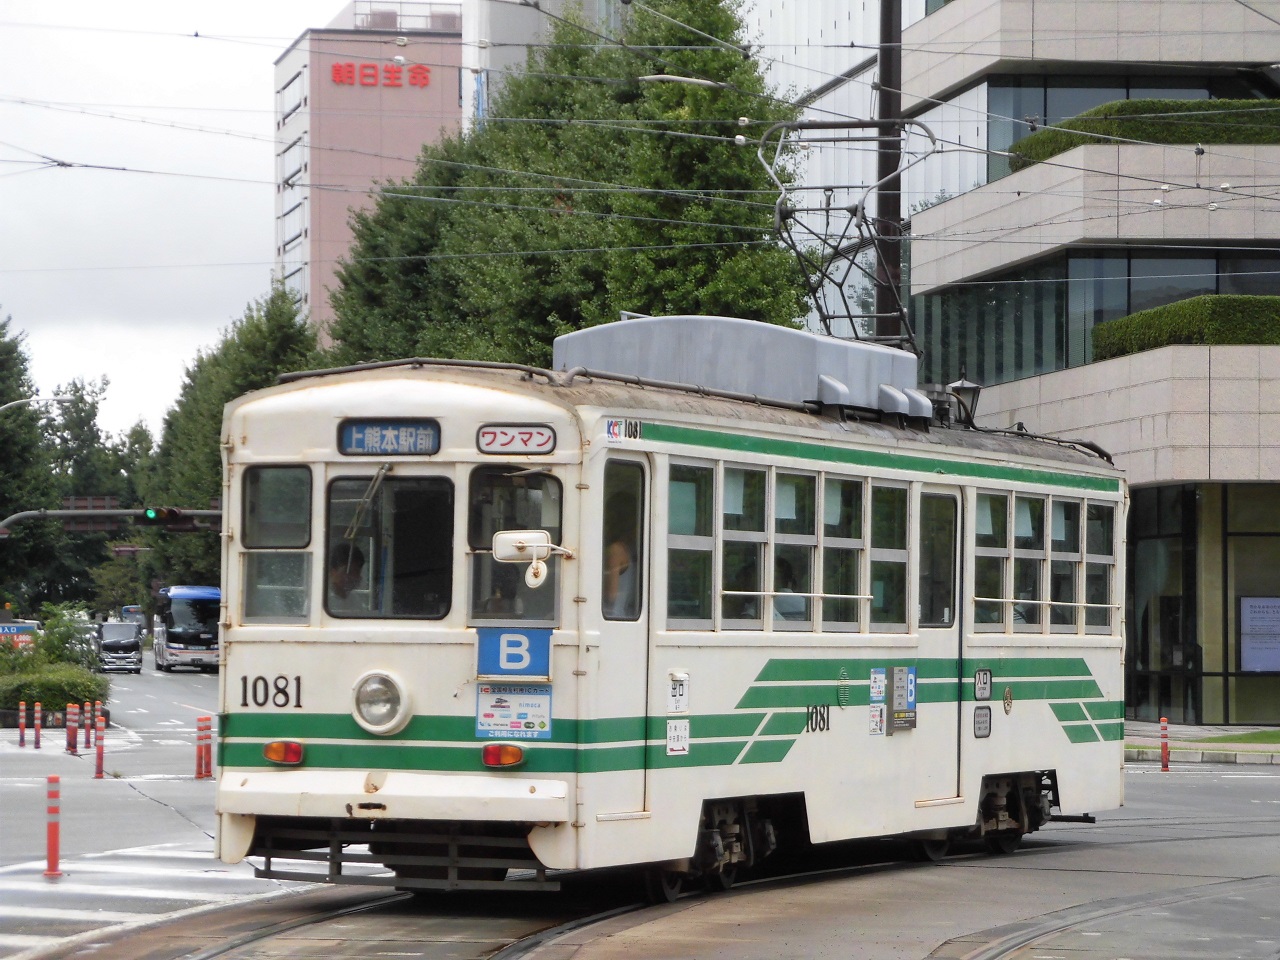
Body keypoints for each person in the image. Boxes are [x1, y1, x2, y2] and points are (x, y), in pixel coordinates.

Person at [603, 492, 638, 619]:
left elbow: (611, 595)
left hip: (611, 615)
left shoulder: (615, 550)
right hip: (623, 614)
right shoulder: (628, 550)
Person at [328, 542, 366, 613]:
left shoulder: (355, 599)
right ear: (332, 572)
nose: (353, 576)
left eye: (357, 571)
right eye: (348, 571)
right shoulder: (322, 600)